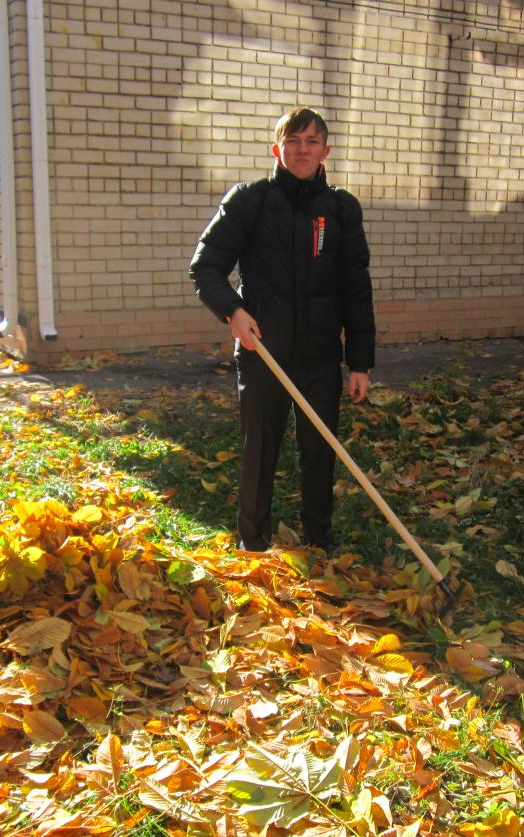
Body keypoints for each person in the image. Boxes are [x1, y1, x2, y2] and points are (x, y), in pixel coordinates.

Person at [189, 106, 375, 553]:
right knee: (259, 452)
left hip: (319, 358)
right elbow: (206, 266)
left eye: (312, 141)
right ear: (277, 149)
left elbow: (356, 288)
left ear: (326, 151)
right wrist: (232, 311)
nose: (302, 149)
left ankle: (318, 538)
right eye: (293, 141)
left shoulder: (341, 210)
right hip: (263, 354)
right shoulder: (248, 201)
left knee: (319, 451)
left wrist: (360, 363)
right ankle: (253, 543)